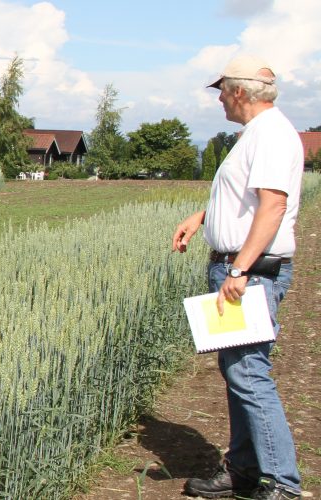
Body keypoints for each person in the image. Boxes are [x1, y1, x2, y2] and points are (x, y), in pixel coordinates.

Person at [174, 55, 304, 500]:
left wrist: (240, 268)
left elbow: (272, 206)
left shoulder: (270, 135)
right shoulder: (257, 135)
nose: (220, 100)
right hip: (241, 267)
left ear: (241, 92)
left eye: (222, 91)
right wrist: (204, 216)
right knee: (237, 373)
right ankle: (245, 471)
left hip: (252, 273)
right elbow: (244, 198)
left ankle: (282, 484)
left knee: (249, 374)